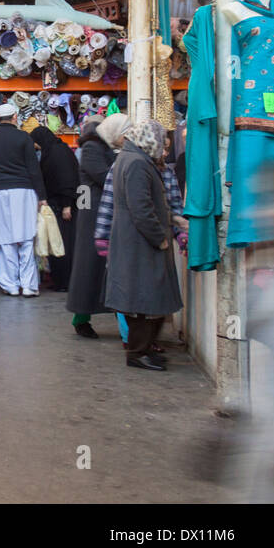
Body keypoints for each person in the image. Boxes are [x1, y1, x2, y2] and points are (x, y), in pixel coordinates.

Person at [104, 120, 184, 372]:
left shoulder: (132, 158)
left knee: (143, 298)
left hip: (136, 239)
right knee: (142, 298)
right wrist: (159, 235)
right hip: (140, 241)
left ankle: (144, 349)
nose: (163, 149)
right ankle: (138, 353)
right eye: (161, 143)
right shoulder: (137, 163)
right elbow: (141, 208)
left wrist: (172, 219)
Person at [67, 113, 129, 337]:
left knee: (97, 268)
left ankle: (91, 316)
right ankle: (82, 317)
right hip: (94, 216)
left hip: (97, 212)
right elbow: (103, 177)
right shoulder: (94, 148)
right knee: (90, 266)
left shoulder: (96, 148)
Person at [0, 103, 48, 296]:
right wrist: (42, 196)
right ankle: (28, 285)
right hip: (24, 191)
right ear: (14, 117)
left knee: (4, 240)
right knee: (26, 237)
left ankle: (10, 284)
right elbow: (33, 168)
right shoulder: (23, 137)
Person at [31, 126, 79, 292]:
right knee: (58, 242)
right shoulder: (55, 150)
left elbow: (67, 180)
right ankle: (61, 280)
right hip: (57, 205)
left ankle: (64, 281)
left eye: (35, 143)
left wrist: (67, 205)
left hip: (63, 206)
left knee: (62, 243)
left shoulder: (57, 153)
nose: (35, 146)